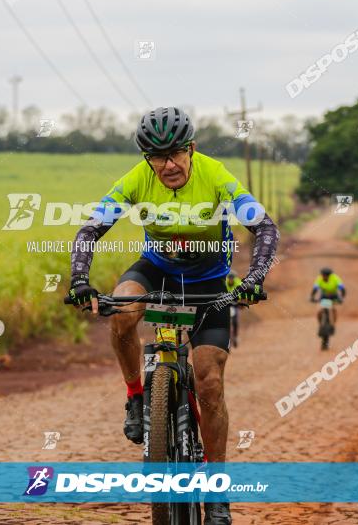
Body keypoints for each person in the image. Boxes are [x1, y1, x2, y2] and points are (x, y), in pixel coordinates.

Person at [67, 107, 279, 525]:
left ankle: (217, 493)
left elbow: (265, 227)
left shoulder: (215, 174)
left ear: (191, 149)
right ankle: (134, 398)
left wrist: (253, 278)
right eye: (156, 156)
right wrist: (79, 279)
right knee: (124, 310)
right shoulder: (137, 179)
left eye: (175, 154)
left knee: (210, 381)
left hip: (210, 280)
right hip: (157, 267)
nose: (167, 165)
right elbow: (90, 229)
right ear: (147, 158)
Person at [225, 272, 243, 348]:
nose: (231, 280)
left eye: (232, 279)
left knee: (235, 321)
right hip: (226, 303)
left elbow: (243, 293)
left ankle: (235, 336)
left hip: (235, 303)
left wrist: (242, 302)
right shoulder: (224, 283)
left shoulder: (238, 283)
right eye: (230, 279)